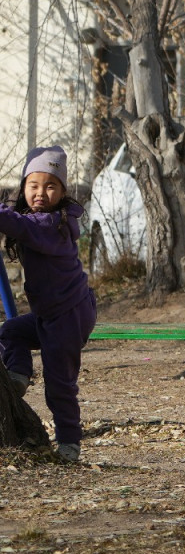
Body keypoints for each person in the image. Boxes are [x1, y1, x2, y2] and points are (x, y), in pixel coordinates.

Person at [0, 146, 97, 463]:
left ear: (63, 191)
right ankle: (18, 376)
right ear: (23, 187)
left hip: (69, 315)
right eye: (34, 185)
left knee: (59, 383)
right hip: (50, 314)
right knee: (12, 331)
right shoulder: (36, 220)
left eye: (51, 185)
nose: (41, 192)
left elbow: (17, 225)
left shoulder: (51, 224)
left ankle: (70, 443)